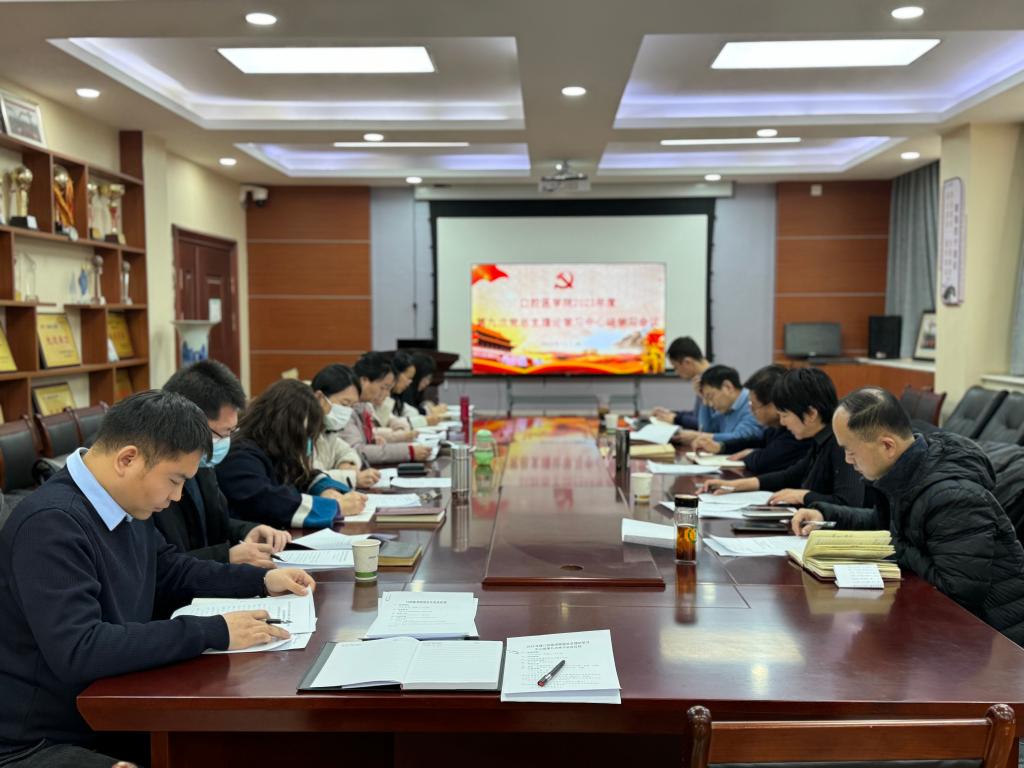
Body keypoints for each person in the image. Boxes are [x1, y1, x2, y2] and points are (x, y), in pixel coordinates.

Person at [0, 391, 316, 766]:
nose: (178, 496)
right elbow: (81, 648)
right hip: (41, 740)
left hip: (111, 707)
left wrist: (259, 581)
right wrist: (212, 631)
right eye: (174, 480)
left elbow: (170, 570)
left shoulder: (120, 503)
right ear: (127, 459)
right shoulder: (51, 524)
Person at [790, 388, 1024, 645]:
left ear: (887, 445)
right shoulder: (906, 471)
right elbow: (883, 524)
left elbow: (958, 592)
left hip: (995, 639)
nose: (847, 460)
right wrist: (825, 514)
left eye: (851, 451)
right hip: (947, 628)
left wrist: (896, 546)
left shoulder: (952, 497)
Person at [159, 360, 290, 568]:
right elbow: (160, 566)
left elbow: (210, 524)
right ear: (189, 422)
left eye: (232, 431)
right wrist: (225, 556)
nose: (227, 441)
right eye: (223, 433)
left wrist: (248, 530)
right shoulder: (155, 475)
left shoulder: (204, 464)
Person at [701, 367, 866, 507]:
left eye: (785, 415)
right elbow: (789, 476)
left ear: (810, 414)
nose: (782, 422)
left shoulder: (841, 444)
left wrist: (803, 496)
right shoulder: (820, 440)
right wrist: (733, 485)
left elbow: (848, 503)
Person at [216, 379, 367, 529]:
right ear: (284, 424)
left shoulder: (273, 446)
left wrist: (325, 490)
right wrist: (334, 507)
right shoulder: (239, 455)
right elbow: (268, 502)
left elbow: (301, 476)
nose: (305, 441)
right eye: (303, 433)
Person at [692, 364, 810, 474]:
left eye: (753, 405)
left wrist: (753, 453)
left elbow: (766, 460)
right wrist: (721, 447)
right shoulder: (774, 428)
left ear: (773, 405)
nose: (751, 410)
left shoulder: (796, 431)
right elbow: (754, 441)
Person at [341, 352, 432, 465]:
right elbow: (358, 451)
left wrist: (373, 439)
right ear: (364, 381)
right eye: (383, 387)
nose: (387, 394)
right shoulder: (346, 408)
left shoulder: (364, 405)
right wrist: (409, 452)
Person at [310, 364, 381, 489]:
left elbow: (347, 451)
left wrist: (347, 464)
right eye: (344, 404)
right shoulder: (302, 429)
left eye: (352, 406)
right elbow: (308, 475)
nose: (347, 411)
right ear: (319, 397)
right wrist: (351, 478)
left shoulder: (327, 428)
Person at [674, 364, 763, 446]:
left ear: (727, 387)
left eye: (710, 396)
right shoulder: (726, 407)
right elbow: (707, 430)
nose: (710, 404)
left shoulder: (752, 402)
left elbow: (742, 437)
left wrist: (700, 436)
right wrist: (703, 399)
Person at [650, 336, 709, 430]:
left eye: (676, 367)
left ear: (687, 362)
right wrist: (671, 414)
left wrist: (676, 419)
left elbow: (706, 424)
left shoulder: (713, 381)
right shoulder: (702, 379)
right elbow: (698, 414)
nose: (676, 372)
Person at [401, 353, 447, 426]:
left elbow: (417, 404)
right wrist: (429, 411)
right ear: (417, 375)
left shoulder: (416, 389)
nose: (427, 382)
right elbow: (411, 412)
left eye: (429, 378)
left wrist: (426, 404)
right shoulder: (406, 389)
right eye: (425, 378)